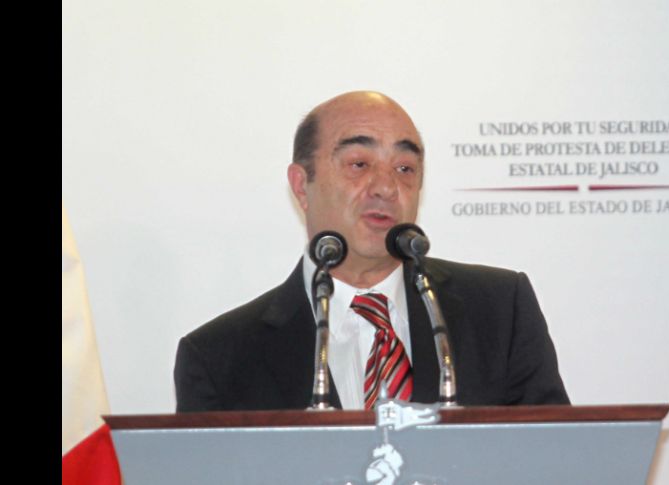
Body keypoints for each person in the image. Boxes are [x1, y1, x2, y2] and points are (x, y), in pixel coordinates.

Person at [174, 91, 569, 411]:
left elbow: (554, 460)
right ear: (301, 185)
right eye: (359, 164)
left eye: (404, 169)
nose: (386, 187)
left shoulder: (500, 311)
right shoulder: (220, 358)